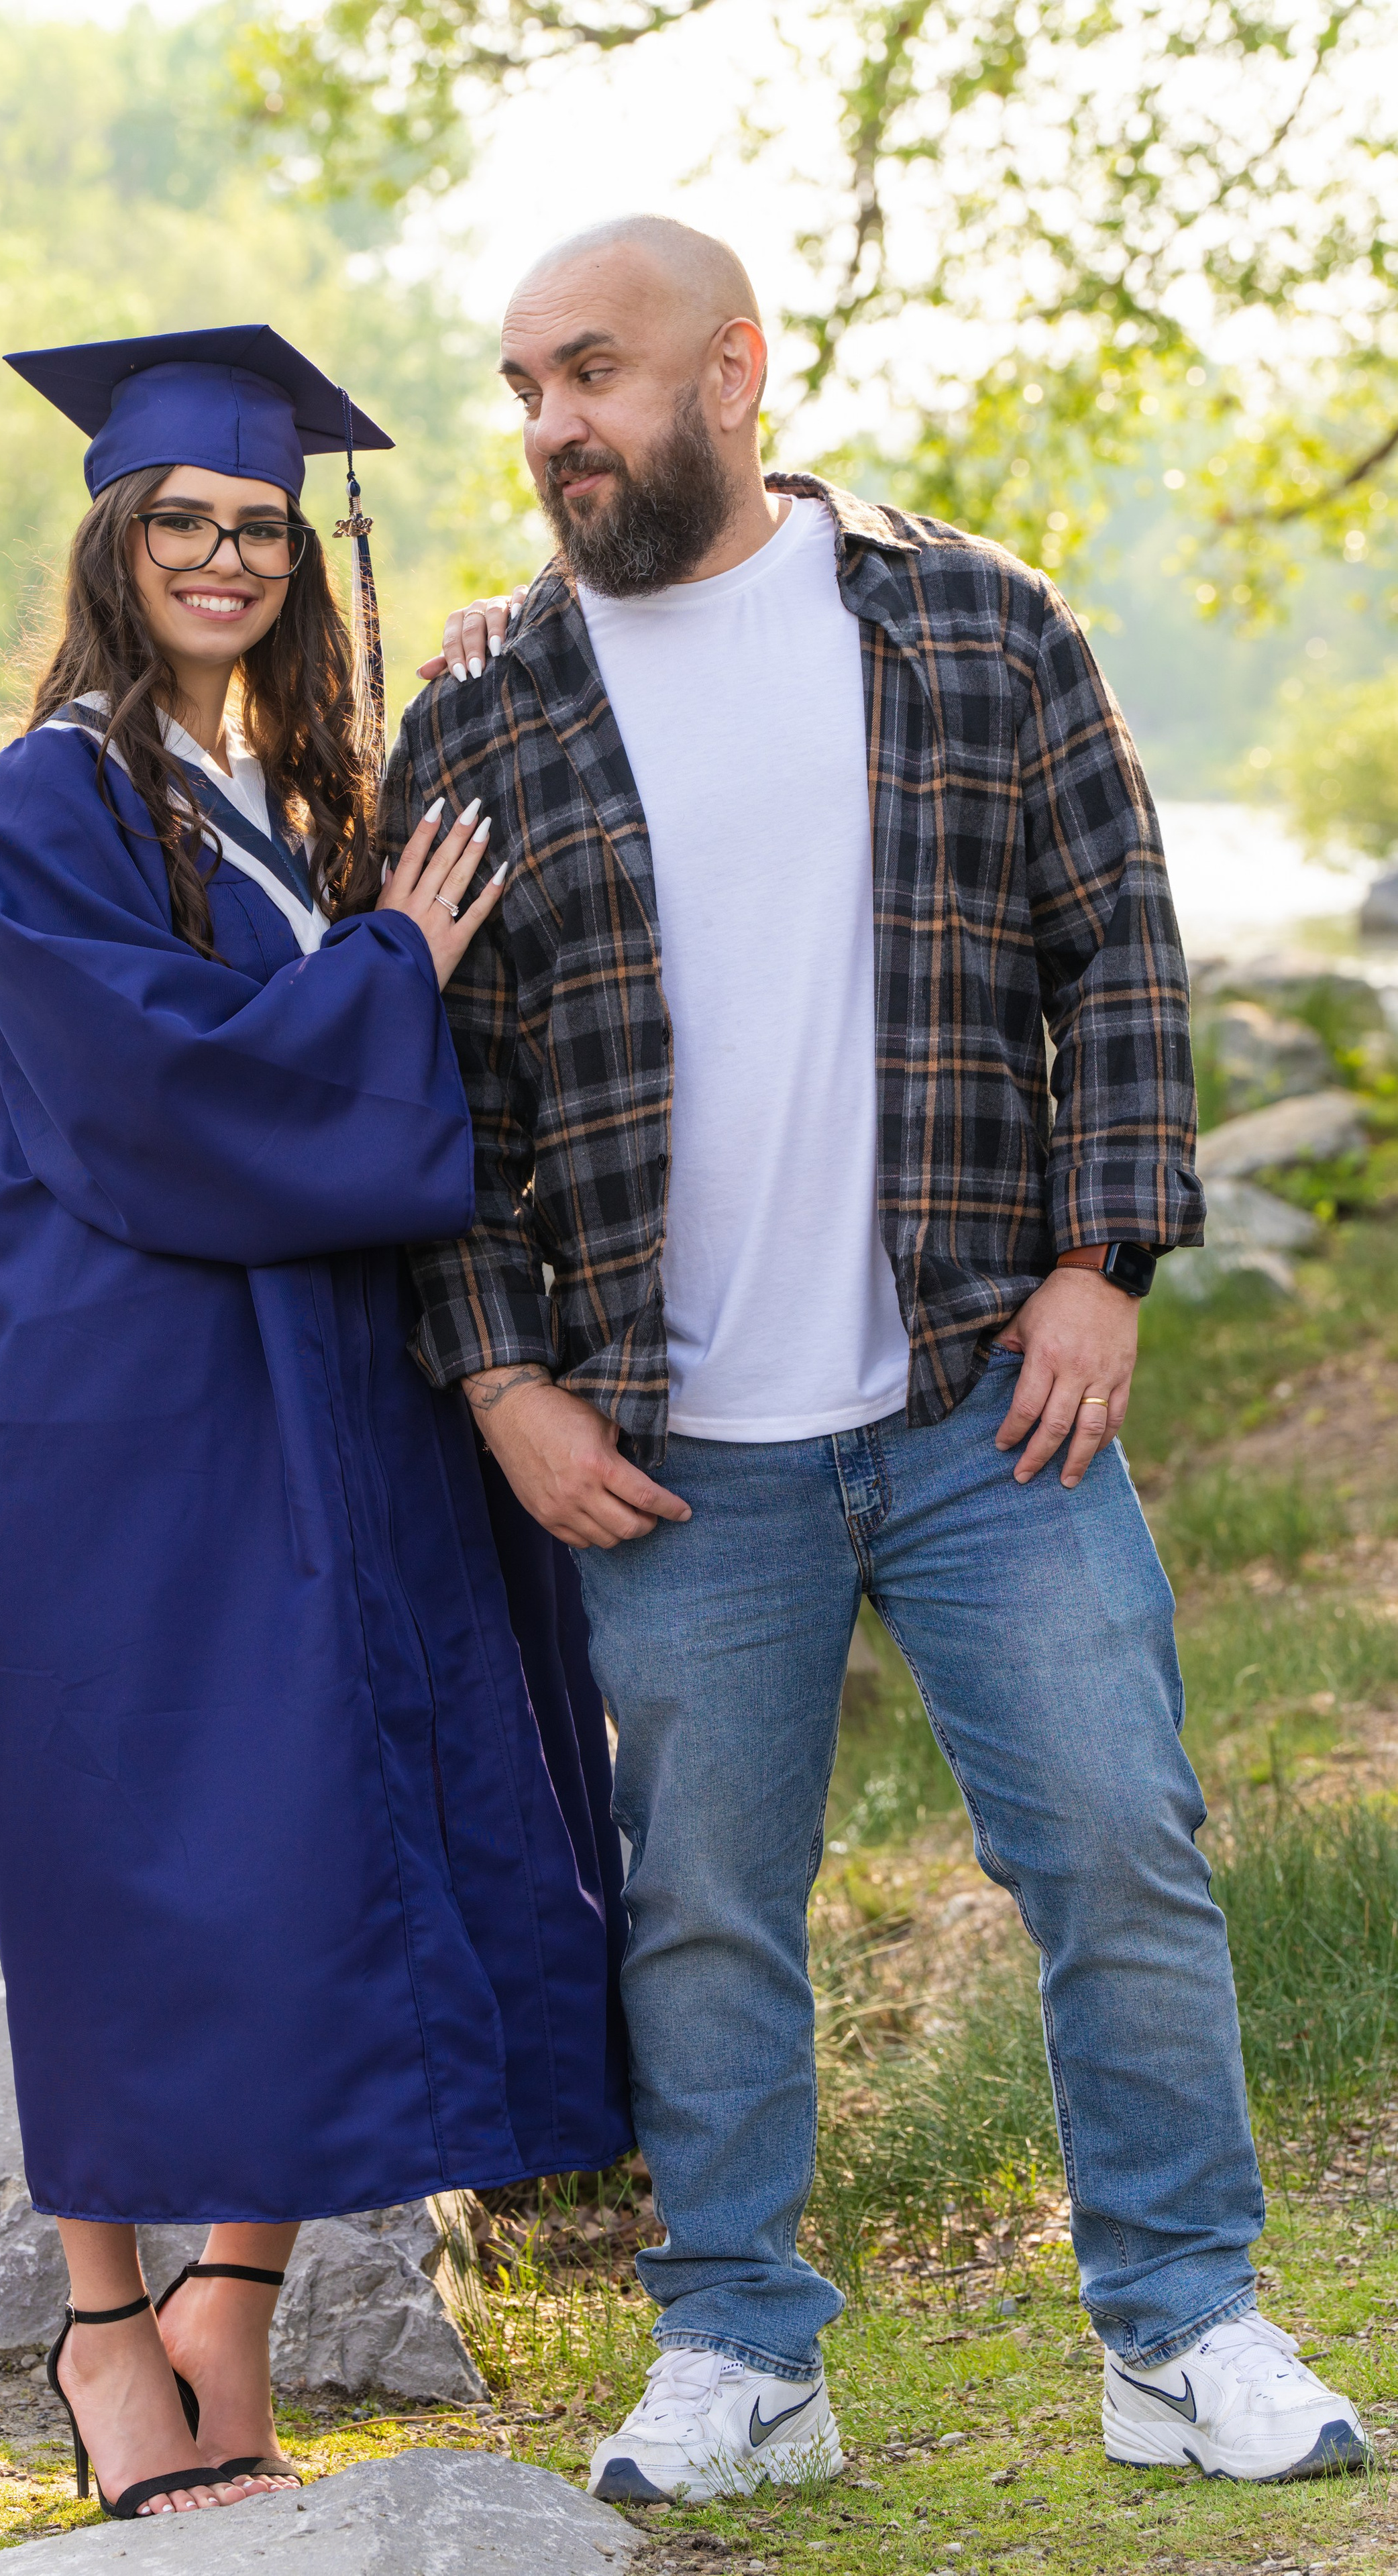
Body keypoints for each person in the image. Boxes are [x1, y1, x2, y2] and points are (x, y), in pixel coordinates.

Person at [390, 217, 1369, 2502]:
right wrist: (502, 1382)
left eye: (596, 374)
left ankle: (1184, 2321)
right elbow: (451, 1100)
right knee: (705, 1913)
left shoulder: (976, 623)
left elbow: (1116, 943)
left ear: (736, 370)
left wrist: (1106, 1255)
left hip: (974, 1407)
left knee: (1122, 1844)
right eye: (524, 383)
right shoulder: (482, 704)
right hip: (670, 1442)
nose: (552, 427)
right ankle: (743, 2350)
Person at [0, 324, 631, 2524]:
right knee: (138, 1842)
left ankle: (231, 2308)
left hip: (323, 1380)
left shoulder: (305, 800)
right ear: (114, 545)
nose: (225, 554)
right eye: (185, 525)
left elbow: (386, 1008)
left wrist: (532, 651)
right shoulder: (49, 796)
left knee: (310, 1833)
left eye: (258, 526)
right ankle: (108, 2336)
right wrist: (383, 976)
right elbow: (162, 1097)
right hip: (141, 1400)